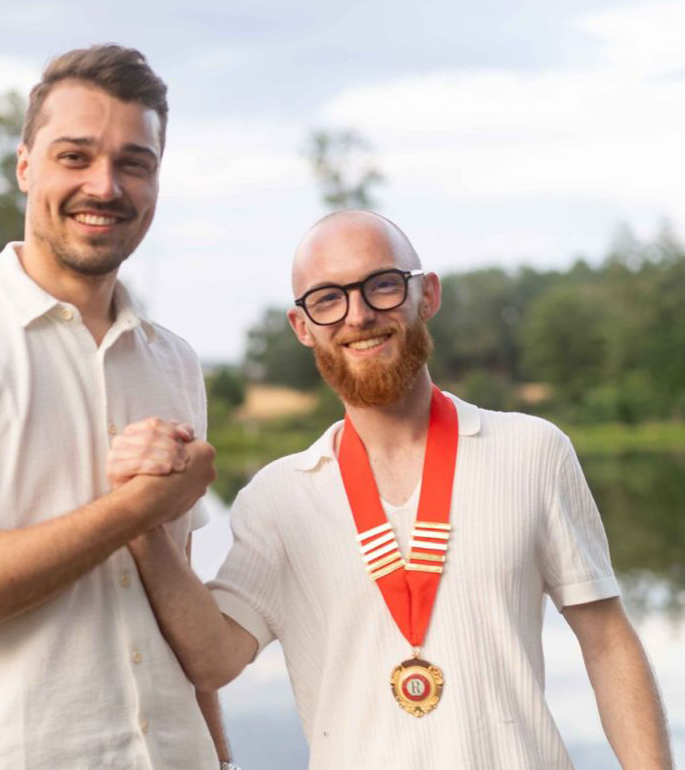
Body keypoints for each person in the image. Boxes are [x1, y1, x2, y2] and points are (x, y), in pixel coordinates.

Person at [109, 210, 674, 769]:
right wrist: (139, 519)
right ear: (302, 326)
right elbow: (214, 661)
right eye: (327, 298)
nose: (358, 316)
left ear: (426, 295)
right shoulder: (276, 498)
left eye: (381, 285)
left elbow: (606, 643)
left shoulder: (533, 451)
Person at [0, 44, 233, 769]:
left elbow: (175, 614)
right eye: (76, 156)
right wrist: (134, 509)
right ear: (26, 164)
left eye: (134, 162)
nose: (106, 185)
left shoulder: (174, 361)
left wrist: (221, 758)